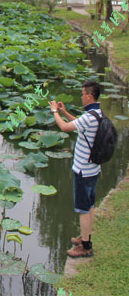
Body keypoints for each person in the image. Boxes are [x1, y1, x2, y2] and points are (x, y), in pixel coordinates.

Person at [49, 80, 102, 258]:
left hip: (83, 171)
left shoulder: (89, 117)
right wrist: (64, 112)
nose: (81, 97)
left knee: (83, 209)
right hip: (93, 169)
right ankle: (85, 237)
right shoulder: (97, 114)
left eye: (82, 94)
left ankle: (85, 247)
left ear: (89, 95)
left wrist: (55, 112)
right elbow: (78, 124)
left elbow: (64, 127)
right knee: (90, 205)